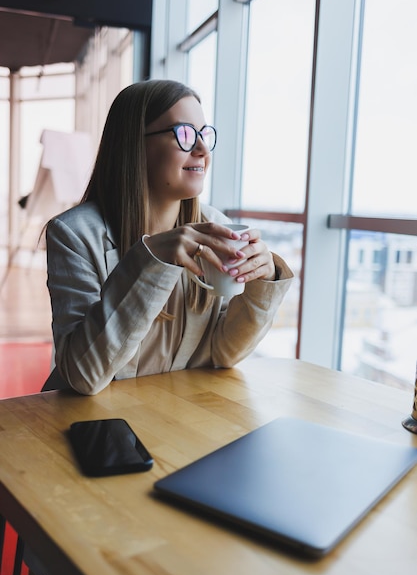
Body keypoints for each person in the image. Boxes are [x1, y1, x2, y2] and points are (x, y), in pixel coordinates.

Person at [42, 79, 293, 395]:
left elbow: (224, 354)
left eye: (204, 134)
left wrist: (263, 281)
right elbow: (83, 375)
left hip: (171, 416)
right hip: (89, 425)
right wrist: (151, 262)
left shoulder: (216, 226)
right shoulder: (74, 234)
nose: (202, 149)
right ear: (135, 144)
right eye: (185, 134)